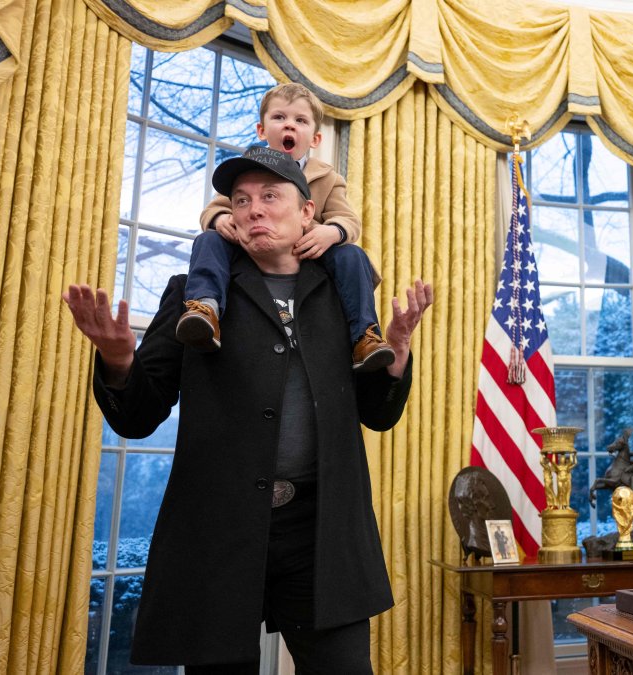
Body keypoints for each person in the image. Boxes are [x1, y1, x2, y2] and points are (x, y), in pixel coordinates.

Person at [63, 146, 432, 672]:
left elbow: (379, 413)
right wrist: (119, 360)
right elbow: (137, 417)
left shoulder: (342, 295)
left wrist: (397, 351)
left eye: (270, 196)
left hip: (322, 535)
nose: (254, 208)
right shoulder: (195, 296)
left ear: (307, 212)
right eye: (241, 200)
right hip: (218, 534)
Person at [178, 82, 394, 372]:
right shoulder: (247, 172)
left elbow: (349, 220)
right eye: (279, 117)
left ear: (315, 138)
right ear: (261, 130)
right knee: (208, 240)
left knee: (352, 255)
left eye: (300, 120)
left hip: (311, 251)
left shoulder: (327, 177)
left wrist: (331, 232)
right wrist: (220, 220)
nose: (289, 125)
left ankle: (365, 336)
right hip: (254, 248)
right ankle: (205, 309)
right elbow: (213, 209)